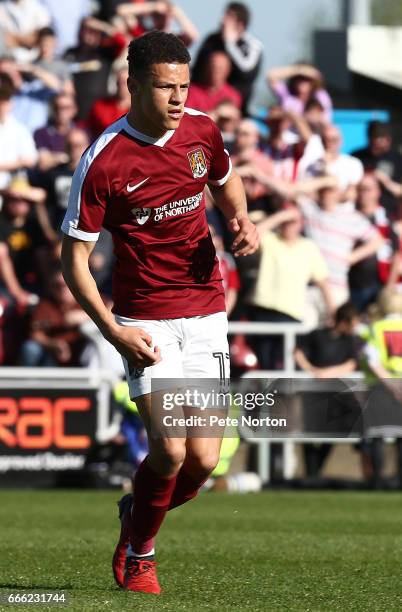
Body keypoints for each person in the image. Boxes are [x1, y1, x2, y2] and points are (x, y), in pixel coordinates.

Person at [60, 31, 258, 595]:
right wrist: (113, 331)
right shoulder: (104, 161)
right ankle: (140, 553)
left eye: (184, 85)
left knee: (202, 462)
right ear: (134, 85)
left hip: (206, 309)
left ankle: (137, 513)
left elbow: (227, 182)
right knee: (169, 450)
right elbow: (74, 261)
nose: (177, 98)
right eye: (164, 87)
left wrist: (242, 219)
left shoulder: (201, 130)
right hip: (146, 318)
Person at [249, 205, 333, 369]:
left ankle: (282, 395)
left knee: (284, 366)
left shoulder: (308, 247)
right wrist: (282, 215)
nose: (289, 225)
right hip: (263, 310)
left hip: (290, 314)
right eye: (286, 222)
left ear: (301, 224)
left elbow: (323, 281)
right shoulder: (271, 240)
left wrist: (333, 310)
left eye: (293, 221)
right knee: (265, 365)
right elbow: (253, 234)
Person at [299, 184, 383, 306]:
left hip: (337, 287)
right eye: (323, 191)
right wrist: (324, 181)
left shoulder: (351, 217)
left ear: (338, 193)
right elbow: (289, 192)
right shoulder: (312, 211)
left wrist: (352, 257)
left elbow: (377, 241)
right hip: (311, 286)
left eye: (330, 191)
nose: (326, 195)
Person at [191, 2, 263, 112]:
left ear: (240, 25)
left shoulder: (252, 45)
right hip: (203, 102)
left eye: (229, 17)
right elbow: (197, 71)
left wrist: (230, 44)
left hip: (237, 108)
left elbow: (247, 72)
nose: (222, 20)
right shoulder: (212, 40)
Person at [352, 121, 402, 214]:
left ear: (388, 140)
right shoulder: (357, 157)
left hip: (389, 212)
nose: (375, 149)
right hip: (361, 212)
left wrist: (387, 182)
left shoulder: (397, 158)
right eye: (373, 144)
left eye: (379, 145)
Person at [0, 71, 37, 188]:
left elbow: (30, 159)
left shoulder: (19, 129)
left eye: (4, 100)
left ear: (10, 103)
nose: (1, 104)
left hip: (10, 189)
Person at [267, 63, 332, 123]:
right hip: (288, 134)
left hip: (311, 134)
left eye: (306, 79)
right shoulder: (287, 95)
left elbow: (324, 122)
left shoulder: (319, 95)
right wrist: (298, 70)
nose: (302, 82)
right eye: (299, 78)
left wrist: (310, 72)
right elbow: (271, 76)